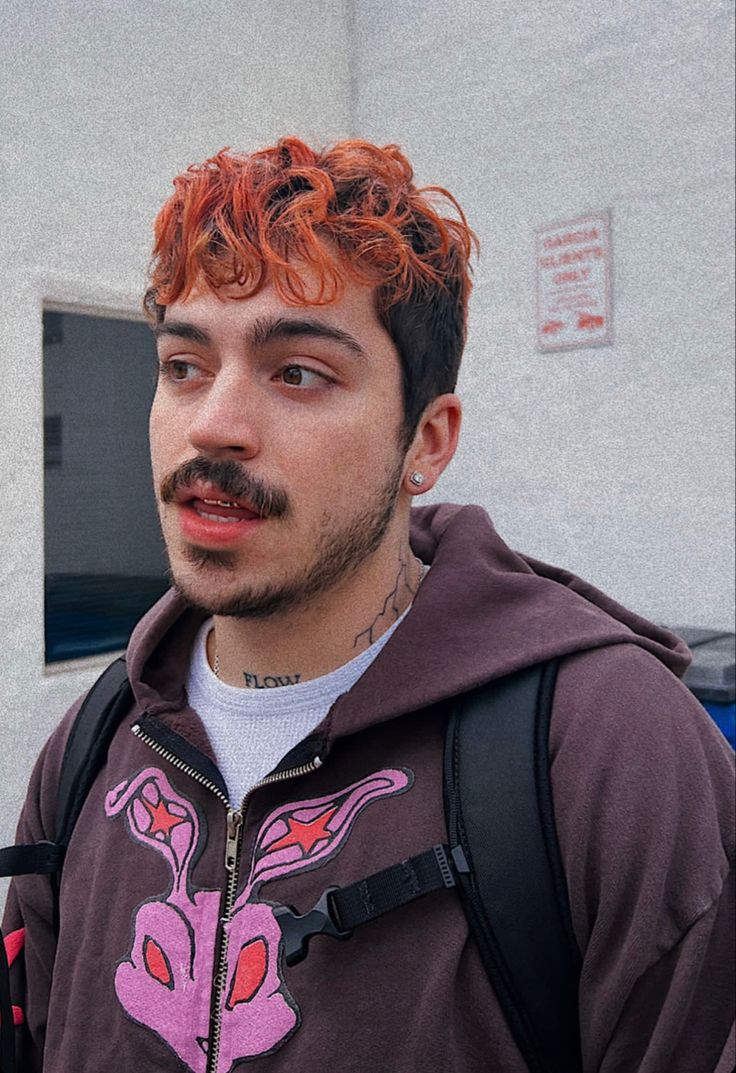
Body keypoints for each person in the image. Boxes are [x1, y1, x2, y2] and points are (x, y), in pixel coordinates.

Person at [3, 136, 734, 1073]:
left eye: (297, 371)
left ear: (425, 440)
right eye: (184, 364)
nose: (213, 423)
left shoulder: (609, 758)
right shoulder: (93, 749)